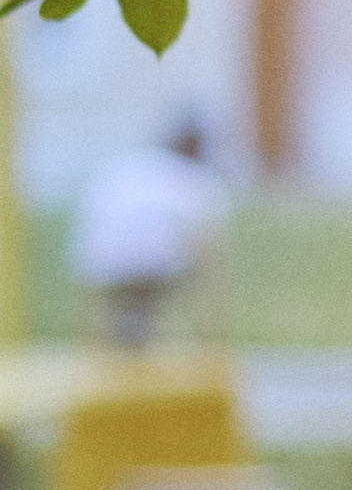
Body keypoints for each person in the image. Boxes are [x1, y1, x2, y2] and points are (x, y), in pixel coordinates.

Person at [68, 119, 230, 346]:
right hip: (155, 262)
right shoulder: (193, 179)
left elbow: (92, 229)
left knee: (120, 286)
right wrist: (209, 328)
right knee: (174, 256)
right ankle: (150, 332)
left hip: (103, 261)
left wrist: (88, 329)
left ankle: (105, 343)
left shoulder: (122, 167)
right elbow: (205, 251)